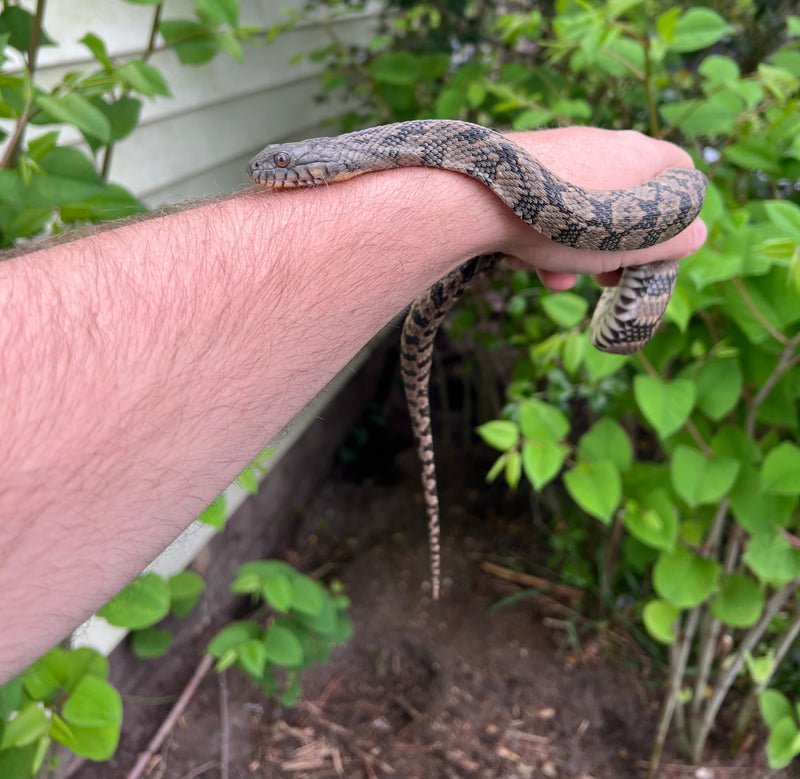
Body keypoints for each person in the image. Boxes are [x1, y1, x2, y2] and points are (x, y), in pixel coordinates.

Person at [0, 126, 706, 680]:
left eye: (283, 170)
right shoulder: (409, 152)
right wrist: (466, 218)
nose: (270, 176)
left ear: (322, 164)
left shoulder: (416, 148)